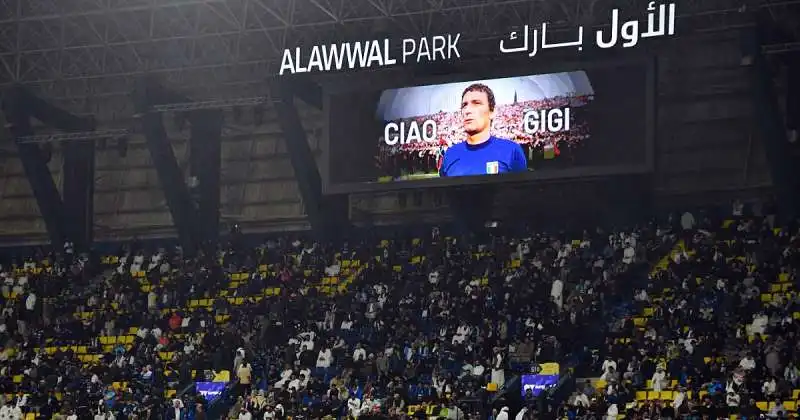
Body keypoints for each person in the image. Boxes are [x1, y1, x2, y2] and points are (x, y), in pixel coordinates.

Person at [439, 83, 527, 177]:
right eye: (464, 105)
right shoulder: (450, 155)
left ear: (492, 112)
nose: (467, 110)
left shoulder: (511, 151)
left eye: (476, 103)